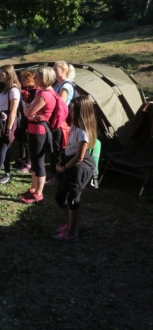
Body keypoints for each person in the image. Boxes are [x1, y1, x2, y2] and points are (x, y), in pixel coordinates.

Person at [52, 95, 97, 241]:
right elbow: (69, 148)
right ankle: (70, 223)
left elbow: (79, 157)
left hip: (79, 166)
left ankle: (72, 232)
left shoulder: (83, 131)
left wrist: (64, 168)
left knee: (72, 198)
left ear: (81, 111)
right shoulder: (74, 126)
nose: (70, 112)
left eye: (72, 110)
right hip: (69, 162)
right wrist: (61, 160)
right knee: (60, 197)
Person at [20, 66, 57, 204]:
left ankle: (38, 193)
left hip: (38, 130)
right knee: (35, 161)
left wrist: (26, 108)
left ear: (44, 78)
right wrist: (30, 110)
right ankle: (33, 188)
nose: (34, 78)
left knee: (39, 163)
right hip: (36, 128)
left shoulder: (44, 95)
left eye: (36, 76)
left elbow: (28, 113)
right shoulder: (47, 91)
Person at [47, 61, 76, 187]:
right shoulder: (57, 85)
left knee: (58, 149)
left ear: (63, 70)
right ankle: (53, 172)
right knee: (53, 148)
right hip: (55, 120)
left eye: (56, 69)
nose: (53, 71)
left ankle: (58, 177)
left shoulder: (66, 86)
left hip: (61, 121)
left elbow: (59, 103)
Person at [0, 65, 21, 184]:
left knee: (3, 147)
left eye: (1, 74)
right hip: (1, 119)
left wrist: (8, 128)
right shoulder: (5, 89)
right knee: (3, 147)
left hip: (8, 121)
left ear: (8, 75)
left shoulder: (14, 90)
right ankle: (7, 172)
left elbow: (13, 110)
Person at [16, 70, 38, 173]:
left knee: (28, 141)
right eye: (22, 80)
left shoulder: (35, 91)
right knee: (22, 138)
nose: (23, 82)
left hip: (31, 118)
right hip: (22, 117)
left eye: (25, 80)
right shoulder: (24, 90)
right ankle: (22, 159)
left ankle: (29, 163)